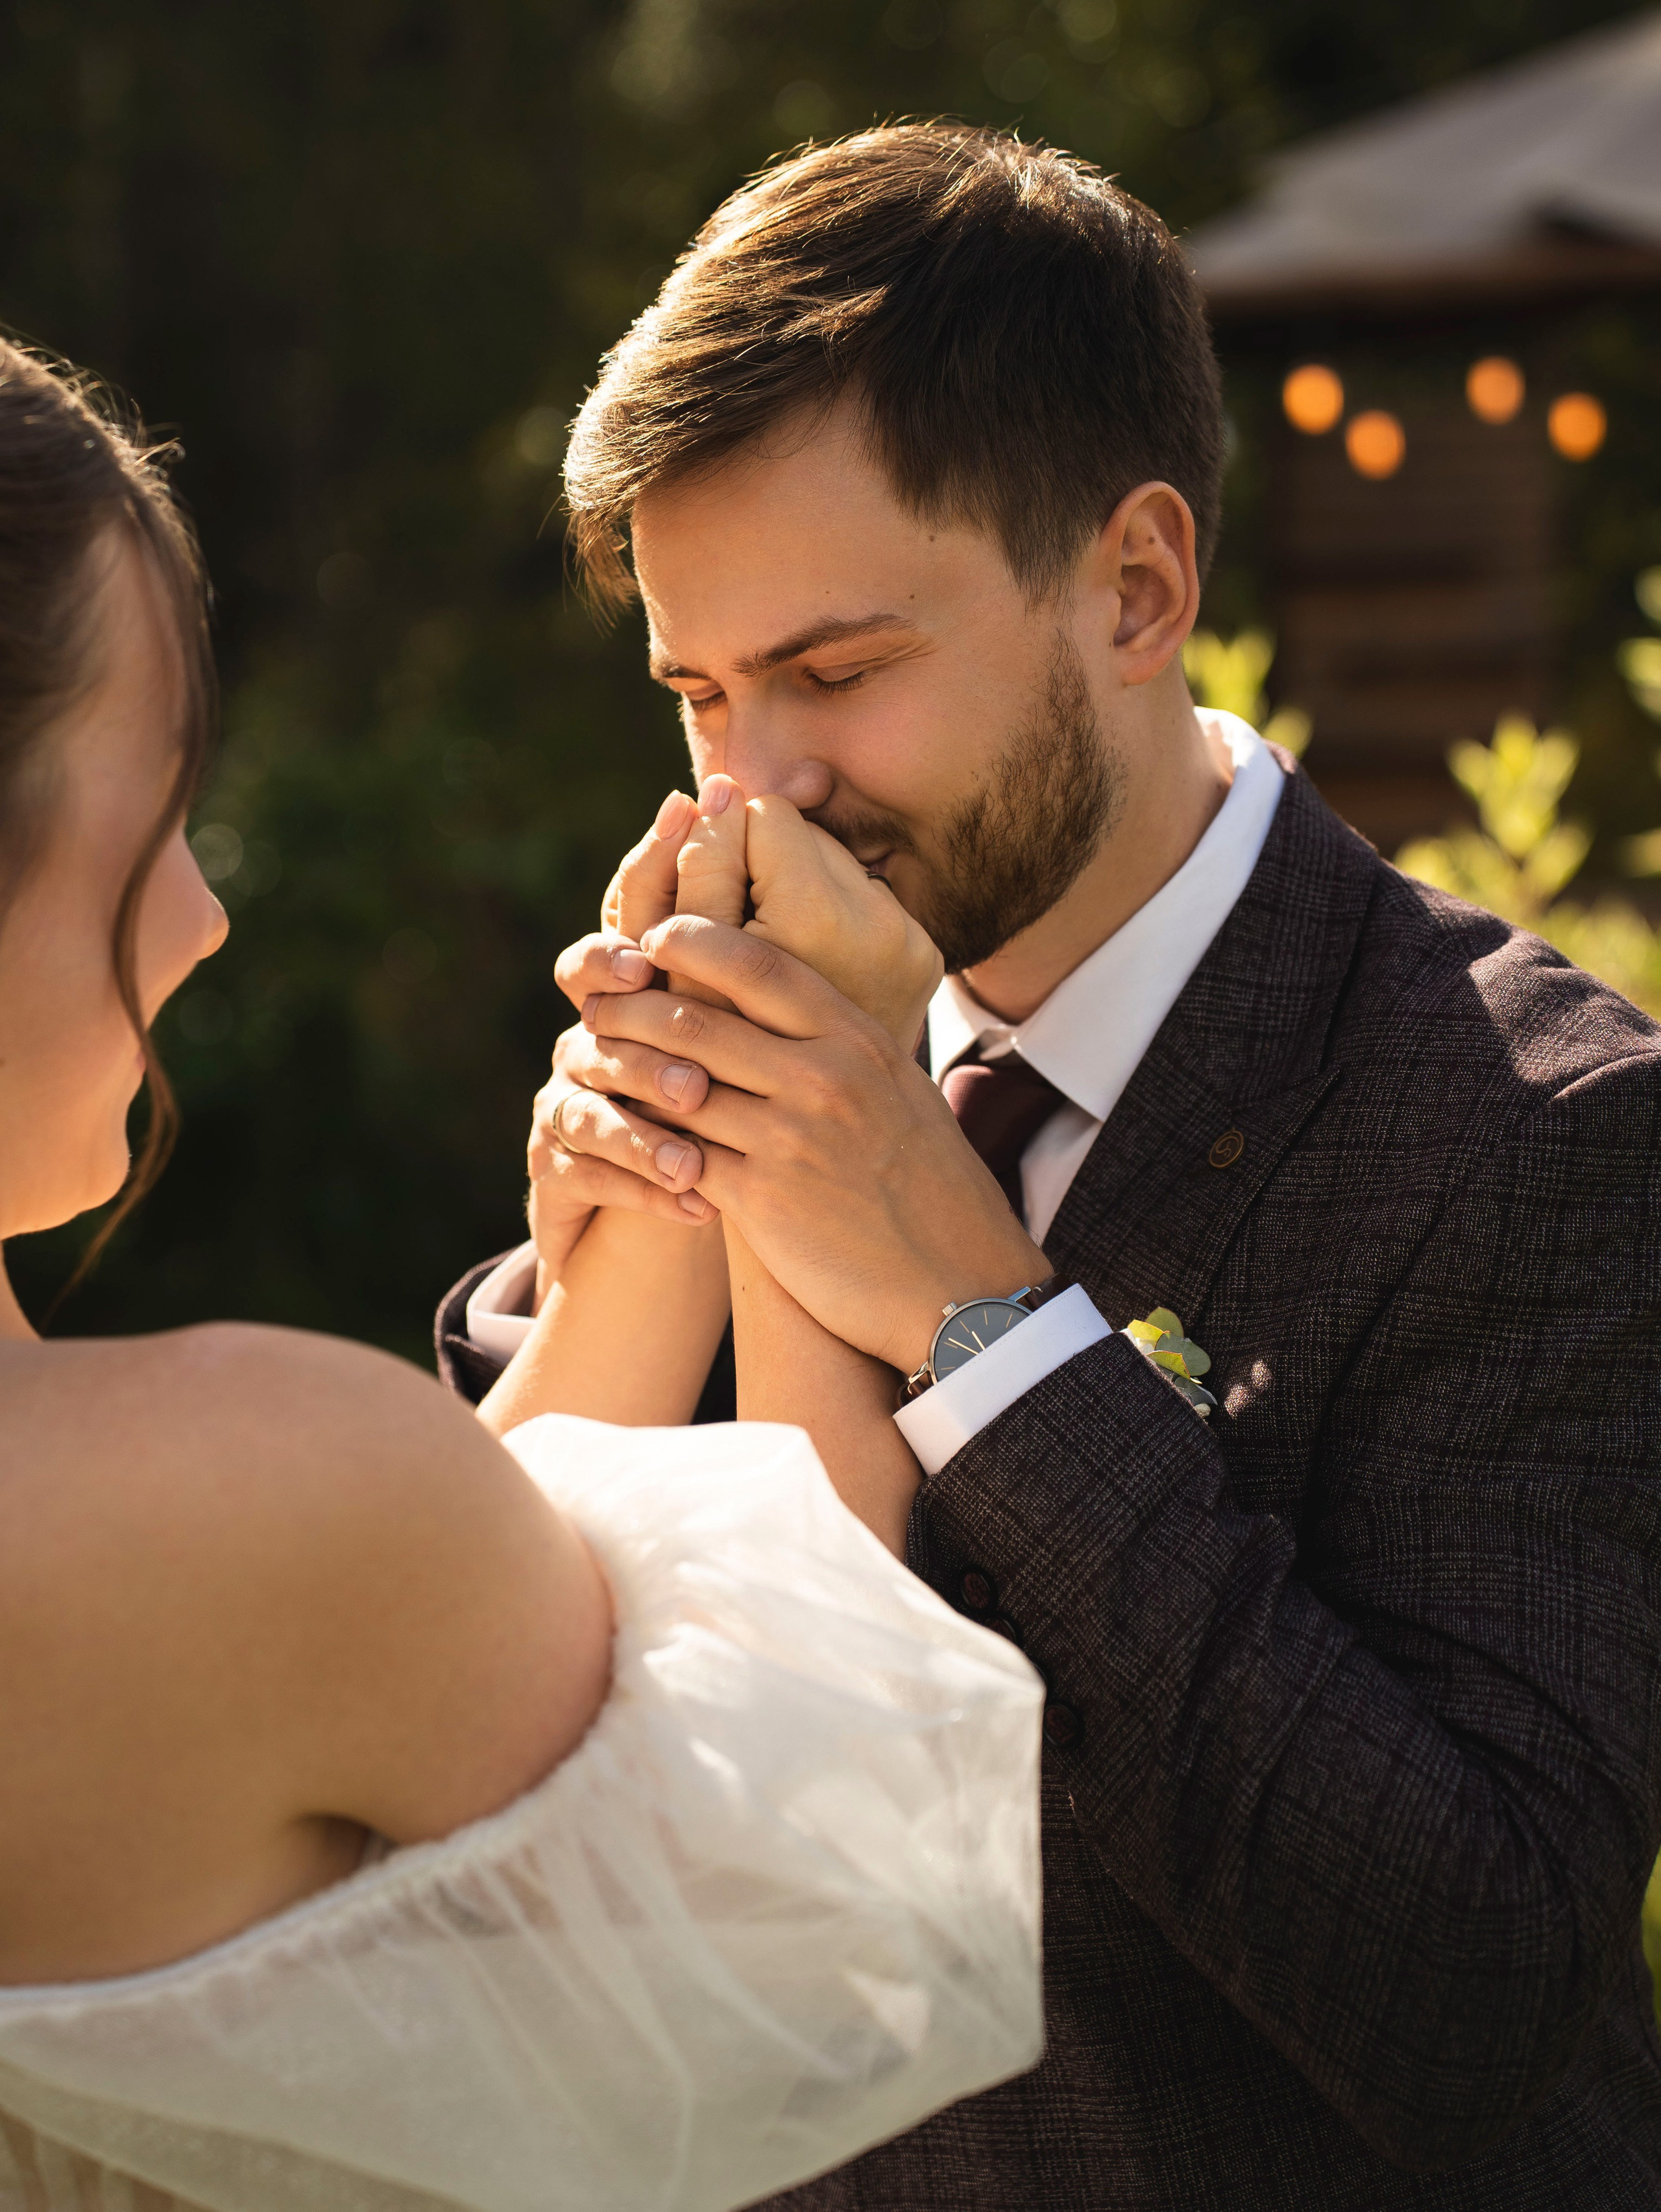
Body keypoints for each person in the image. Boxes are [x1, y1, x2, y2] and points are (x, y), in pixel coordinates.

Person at [440, 125, 1661, 2206]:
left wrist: (983, 1322)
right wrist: (597, 1267)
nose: (759, 787)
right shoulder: (742, 1031)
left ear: (1135, 588)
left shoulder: (1544, 1128)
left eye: (836, 672)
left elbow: (1474, 1995)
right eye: (700, 695)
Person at [0, 339, 1045, 2211]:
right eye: (157, 799)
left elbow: (425, 1648)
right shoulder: (247, 1486)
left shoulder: (222, 1529)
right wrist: (814, 1089)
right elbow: (821, 1909)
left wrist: (666, 1188)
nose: (206, 915)